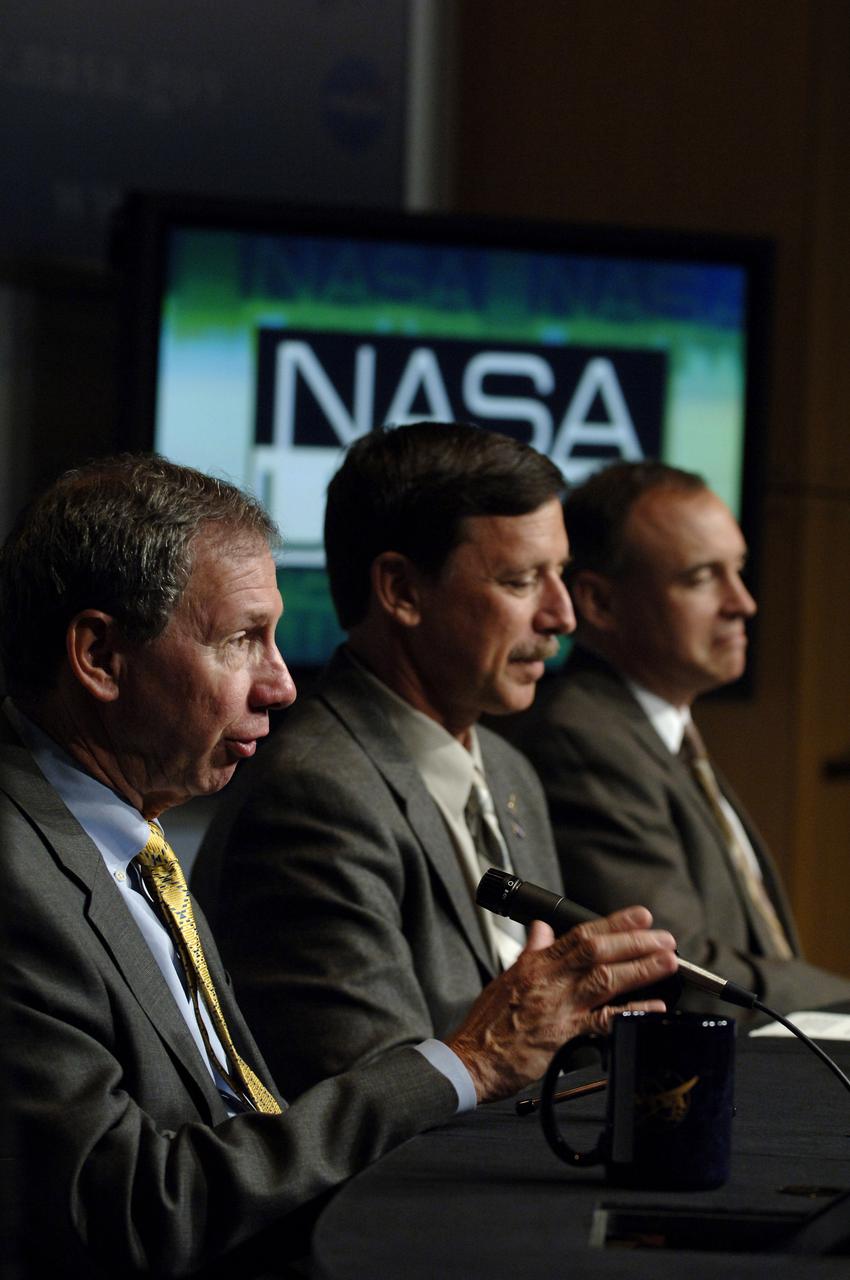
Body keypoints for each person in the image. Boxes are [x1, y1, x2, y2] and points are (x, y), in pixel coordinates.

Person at [0, 452, 677, 1278]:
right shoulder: (20, 878)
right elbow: (139, 1209)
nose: (283, 684)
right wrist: (468, 1061)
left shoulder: (136, 842)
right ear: (101, 656)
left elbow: (242, 1120)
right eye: (243, 639)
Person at [194, 421, 587, 1097]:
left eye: (561, 576)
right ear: (402, 590)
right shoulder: (316, 796)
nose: (562, 615)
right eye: (522, 581)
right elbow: (374, 1101)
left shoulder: (508, 767)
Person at [505, 459, 850, 1018]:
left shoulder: (661, 732)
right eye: (701, 577)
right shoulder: (582, 738)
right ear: (600, 603)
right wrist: (840, 1001)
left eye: (737, 570)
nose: (743, 602)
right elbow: (678, 968)